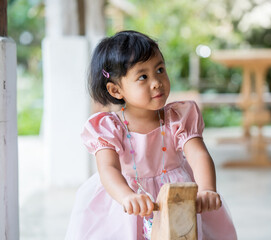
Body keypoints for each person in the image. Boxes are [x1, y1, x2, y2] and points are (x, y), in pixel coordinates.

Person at [65, 30, 237, 240]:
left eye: (160, 69)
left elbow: (198, 155)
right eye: (143, 76)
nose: (156, 82)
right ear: (116, 90)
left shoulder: (178, 117)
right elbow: (107, 168)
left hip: (176, 197)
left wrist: (207, 189)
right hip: (127, 202)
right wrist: (127, 196)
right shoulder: (110, 127)